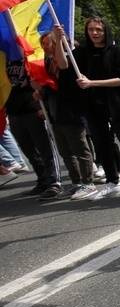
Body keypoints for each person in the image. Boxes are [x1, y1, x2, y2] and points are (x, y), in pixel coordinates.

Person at [72, 17, 120, 200]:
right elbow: (65, 66)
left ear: (106, 31)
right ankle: (113, 183)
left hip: (117, 104)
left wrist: (92, 83)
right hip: (93, 106)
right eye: (91, 29)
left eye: (99, 29)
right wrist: (60, 41)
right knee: (101, 145)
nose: (95, 33)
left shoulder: (118, 51)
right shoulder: (81, 52)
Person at [38, 26, 97, 200]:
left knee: (79, 148)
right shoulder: (48, 63)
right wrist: (40, 93)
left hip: (72, 110)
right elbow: (50, 86)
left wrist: (58, 38)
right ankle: (76, 182)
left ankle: (88, 183)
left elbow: (63, 66)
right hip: (56, 113)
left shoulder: (71, 60)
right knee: (65, 151)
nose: (44, 48)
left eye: (47, 43)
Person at [7, 32, 61, 199]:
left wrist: (41, 106)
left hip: (33, 110)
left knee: (45, 149)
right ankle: (42, 180)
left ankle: (54, 182)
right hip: (14, 112)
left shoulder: (34, 59)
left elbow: (45, 82)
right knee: (29, 151)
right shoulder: (3, 60)